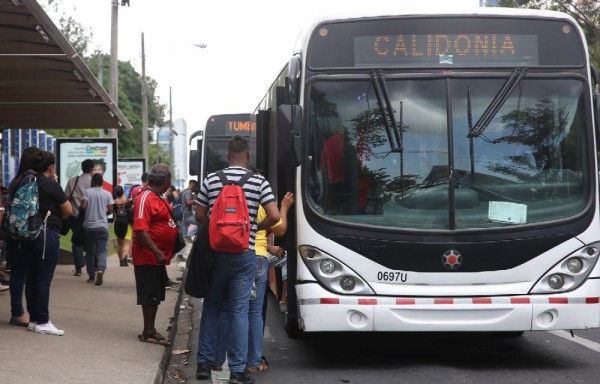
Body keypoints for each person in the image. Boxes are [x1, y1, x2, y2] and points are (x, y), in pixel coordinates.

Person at [195, 135, 280, 384]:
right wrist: (255, 226)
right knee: (240, 310)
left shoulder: (211, 179)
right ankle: (237, 371)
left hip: (215, 255)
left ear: (228, 155)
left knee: (211, 306)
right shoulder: (258, 181)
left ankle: (204, 364)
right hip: (246, 254)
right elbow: (274, 215)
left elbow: (199, 214)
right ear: (248, 156)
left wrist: (216, 229)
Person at [214, 190, 295, 374]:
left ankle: (219, 359)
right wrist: (284, 206)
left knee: (231, 309)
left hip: (232, 257)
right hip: (257, 258)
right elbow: (280, 228)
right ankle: (252, 361)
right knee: (253, 313)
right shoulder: (261, 202)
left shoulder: (231, 201)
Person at [22, 150, 72, 335]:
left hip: (27, 234)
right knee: (44, 278)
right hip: (46, 233)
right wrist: (55, 182)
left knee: (32, 277)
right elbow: (68, 210)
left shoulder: (26, 181)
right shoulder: (51, 184)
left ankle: (34, 319)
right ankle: (43, 321)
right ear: (51, 167)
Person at [132, 163, 178, 347]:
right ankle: (148, 331)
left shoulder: (158, 196)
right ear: (166, 181)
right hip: (148, 257)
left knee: (155, 295)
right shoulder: (145, 198)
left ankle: (150, 329)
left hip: (158, 257)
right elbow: (141, 230)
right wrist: (157, 252)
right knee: (149, 295)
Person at [5, 147, 43, 326]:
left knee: (18, 272)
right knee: (22, 273)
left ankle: (18, 311)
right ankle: (18, 312)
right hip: (25, 232)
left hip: (13, 232)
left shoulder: (16, 179)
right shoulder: (31, 179)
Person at [80, 173, 114, 286]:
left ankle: (91, 276)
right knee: (102, 251)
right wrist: (103, 213)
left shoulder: (87, 192)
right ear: (102, 182)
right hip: (102, 227)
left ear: (93, 182)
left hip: (89, 227)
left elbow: (83, 207)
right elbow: (110, 210)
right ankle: (100, 270)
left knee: (89, 252)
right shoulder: (107, 194)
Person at [64, 159, 94, 277]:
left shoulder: (73, 181)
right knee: (90, 241)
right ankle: (91, 267)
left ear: (81, 168)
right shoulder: (94, 182)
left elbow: (65, 197)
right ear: (92, 169)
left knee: (77, 241)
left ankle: (79, 268)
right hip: (90, 217)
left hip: (75, 217)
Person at [176, 179, 198, 261]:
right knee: (202, 222)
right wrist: (198, 200)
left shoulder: (184, 191)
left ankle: (180, 254)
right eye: (195, 187)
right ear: (193, 185)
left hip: (183, 216)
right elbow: (189, 202)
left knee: (182, 236)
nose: (195, 189)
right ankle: (190, 234)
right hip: (187, 216)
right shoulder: (188, 191)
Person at [113, 185, 133, 267]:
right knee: (127, 242)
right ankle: (125, 256)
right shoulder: (127, 201)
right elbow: (131, 213)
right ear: (123, 192)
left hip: (117, 224)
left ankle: (121, 261)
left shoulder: (114, 202)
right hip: (127, 224)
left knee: (119, 244)